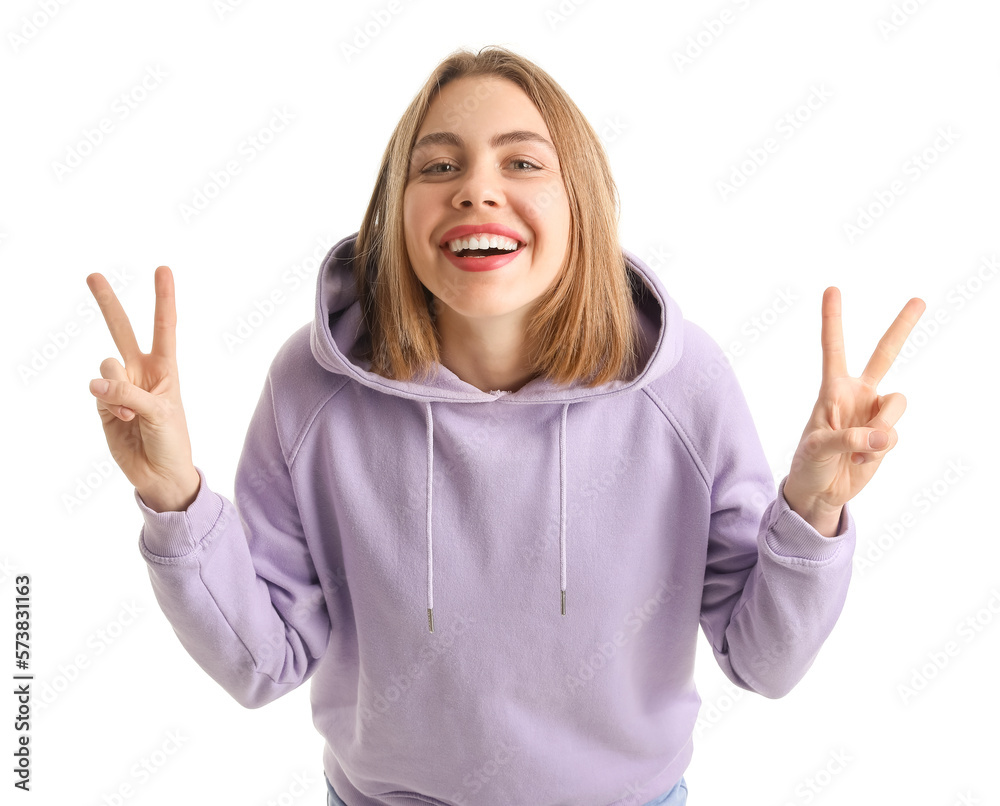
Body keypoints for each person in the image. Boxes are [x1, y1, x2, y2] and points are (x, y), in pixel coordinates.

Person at [86, 46, 925, 806]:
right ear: (397, 213)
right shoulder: (312, 389)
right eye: (438, 164)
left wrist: (812, 512)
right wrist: (172, 493)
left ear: (581, 202)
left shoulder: (683, 385)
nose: (477, 188)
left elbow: (764, 661)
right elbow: (260, 661)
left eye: (522, 161)